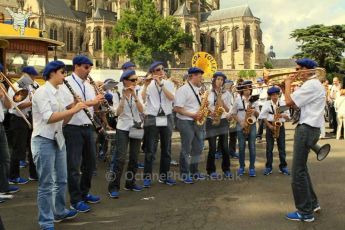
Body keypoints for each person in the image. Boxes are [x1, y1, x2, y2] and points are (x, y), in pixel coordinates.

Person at [31, 61, 88, 229]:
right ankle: (45, 221)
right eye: (62, 72)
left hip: (58, 138)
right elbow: (49, 117)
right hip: (43, 140)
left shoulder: (59, 93)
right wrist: (73, 109)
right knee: (46, 184)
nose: (64, 76)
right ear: (52, 73)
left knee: (62, 179)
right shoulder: (42, 92)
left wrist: (74, 108)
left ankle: (59, 211)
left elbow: (63, 122)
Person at [284, 58, 325, 222]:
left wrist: (287, 84)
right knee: (302, 170)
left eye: (299, 69)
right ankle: (312, 203)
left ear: (308, 70)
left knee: (297, 173)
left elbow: (289, 102)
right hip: (311, 128)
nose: (296, 72)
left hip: (306, 129)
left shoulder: (311, 85)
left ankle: (305, 212)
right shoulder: (312, 84)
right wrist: (284, 86)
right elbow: (292, 100)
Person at [61, 55, 103, 212]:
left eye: (90, 67)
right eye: (86, 67)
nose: (89, 70)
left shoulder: (89, 85)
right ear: (76, 66)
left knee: (90, 163)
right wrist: (93, 102)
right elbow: (69, 106)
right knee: (73, 165)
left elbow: (93, 108)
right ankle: (75, 199)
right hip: (73, 128)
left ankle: (84, 192)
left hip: (87, 127)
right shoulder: (67, 83)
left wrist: (99, 103)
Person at [108, 70, 144, 198]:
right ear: (125, 81)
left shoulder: (138, 91)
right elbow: (117, 113)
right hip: (123, 127)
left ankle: (130, 183)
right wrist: (124, 97)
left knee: (134, 157)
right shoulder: (116, 93)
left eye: (136, 80)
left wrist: (134, 96)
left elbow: (142, 110)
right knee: (120, 158)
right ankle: (113, 186)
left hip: (137, 126)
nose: (135, 82)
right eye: (133, 80)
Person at [142, 61, 176, 187]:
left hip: (166, 117)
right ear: (152, 73)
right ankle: (147, 177)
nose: (161, 71)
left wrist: (161, 84)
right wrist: (145, 85)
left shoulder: (168, 83)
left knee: (166, 149)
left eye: (162, 69)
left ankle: (164, 176)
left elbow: (172, 98)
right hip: (152, 117)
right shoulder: (148, 85)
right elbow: (143, 99)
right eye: (158, 70)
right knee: (150, 149)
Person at [174, 67, 206, 183]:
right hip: (186, 121)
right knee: (186, 149)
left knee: (198, 148)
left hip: (196, 121)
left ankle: (194, 171)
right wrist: (193, 115)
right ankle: (184, 173)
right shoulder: (183, 90)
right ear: (192, 76)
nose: (201, 78)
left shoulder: (198, 89)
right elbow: (177, 108)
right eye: (200, 76)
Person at [8, 66, 39, 184]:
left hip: (30, 118)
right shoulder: (16, 86)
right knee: (18, 148)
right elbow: (17, 105)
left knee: (32, 148)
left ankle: (34, 173)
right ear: (25, 74)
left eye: (34, 76)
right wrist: (34, 102)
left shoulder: (32, 85)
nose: (33, 78)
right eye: (31, 76)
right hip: (18, 119)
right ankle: (13, 176)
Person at [205, 72, 232, 179]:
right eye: (218, 79)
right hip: (211, 121)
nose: (220, 81)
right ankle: (211, 170)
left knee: (225, 147)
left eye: (222, 80)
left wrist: (221, 98)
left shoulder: (227, 94)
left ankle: (226, 169)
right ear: (214, 80)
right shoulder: (208, 93)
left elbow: (228, 109)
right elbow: (204, 107)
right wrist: (209, 113)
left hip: (223, 120)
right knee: (212, 147)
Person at [259, 86, 290, 176]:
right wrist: (269, 126)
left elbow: (288, 116)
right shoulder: (267, 104)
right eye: (272, 95)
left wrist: (282, 116)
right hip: (270, 126)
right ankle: (268, 167)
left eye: (276, 94)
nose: (275, 96)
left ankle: (283, 167)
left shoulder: (283, 103)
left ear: (278, 95)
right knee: (269, 149)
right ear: (270, 96)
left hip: (280, 126)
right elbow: (262, 116)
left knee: (282, 148)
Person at [231, 81, 260, 177]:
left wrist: (254, 111)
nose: (248, 91)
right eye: (246, 89)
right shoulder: (238, 100)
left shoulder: (255, 100)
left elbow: (258, 115)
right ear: (242, 90)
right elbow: (233, 113)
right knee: (242, 147)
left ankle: (252, 168)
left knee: (252, 147)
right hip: (241, 125)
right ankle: (242, 167)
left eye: (249, 88)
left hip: (252, 125)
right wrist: (241, 122)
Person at [0, 63, 20, 202]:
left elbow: (8, 105)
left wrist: (4, 95)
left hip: (0, 125)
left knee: (5, 158)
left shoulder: (1, 86)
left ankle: (3, 186)